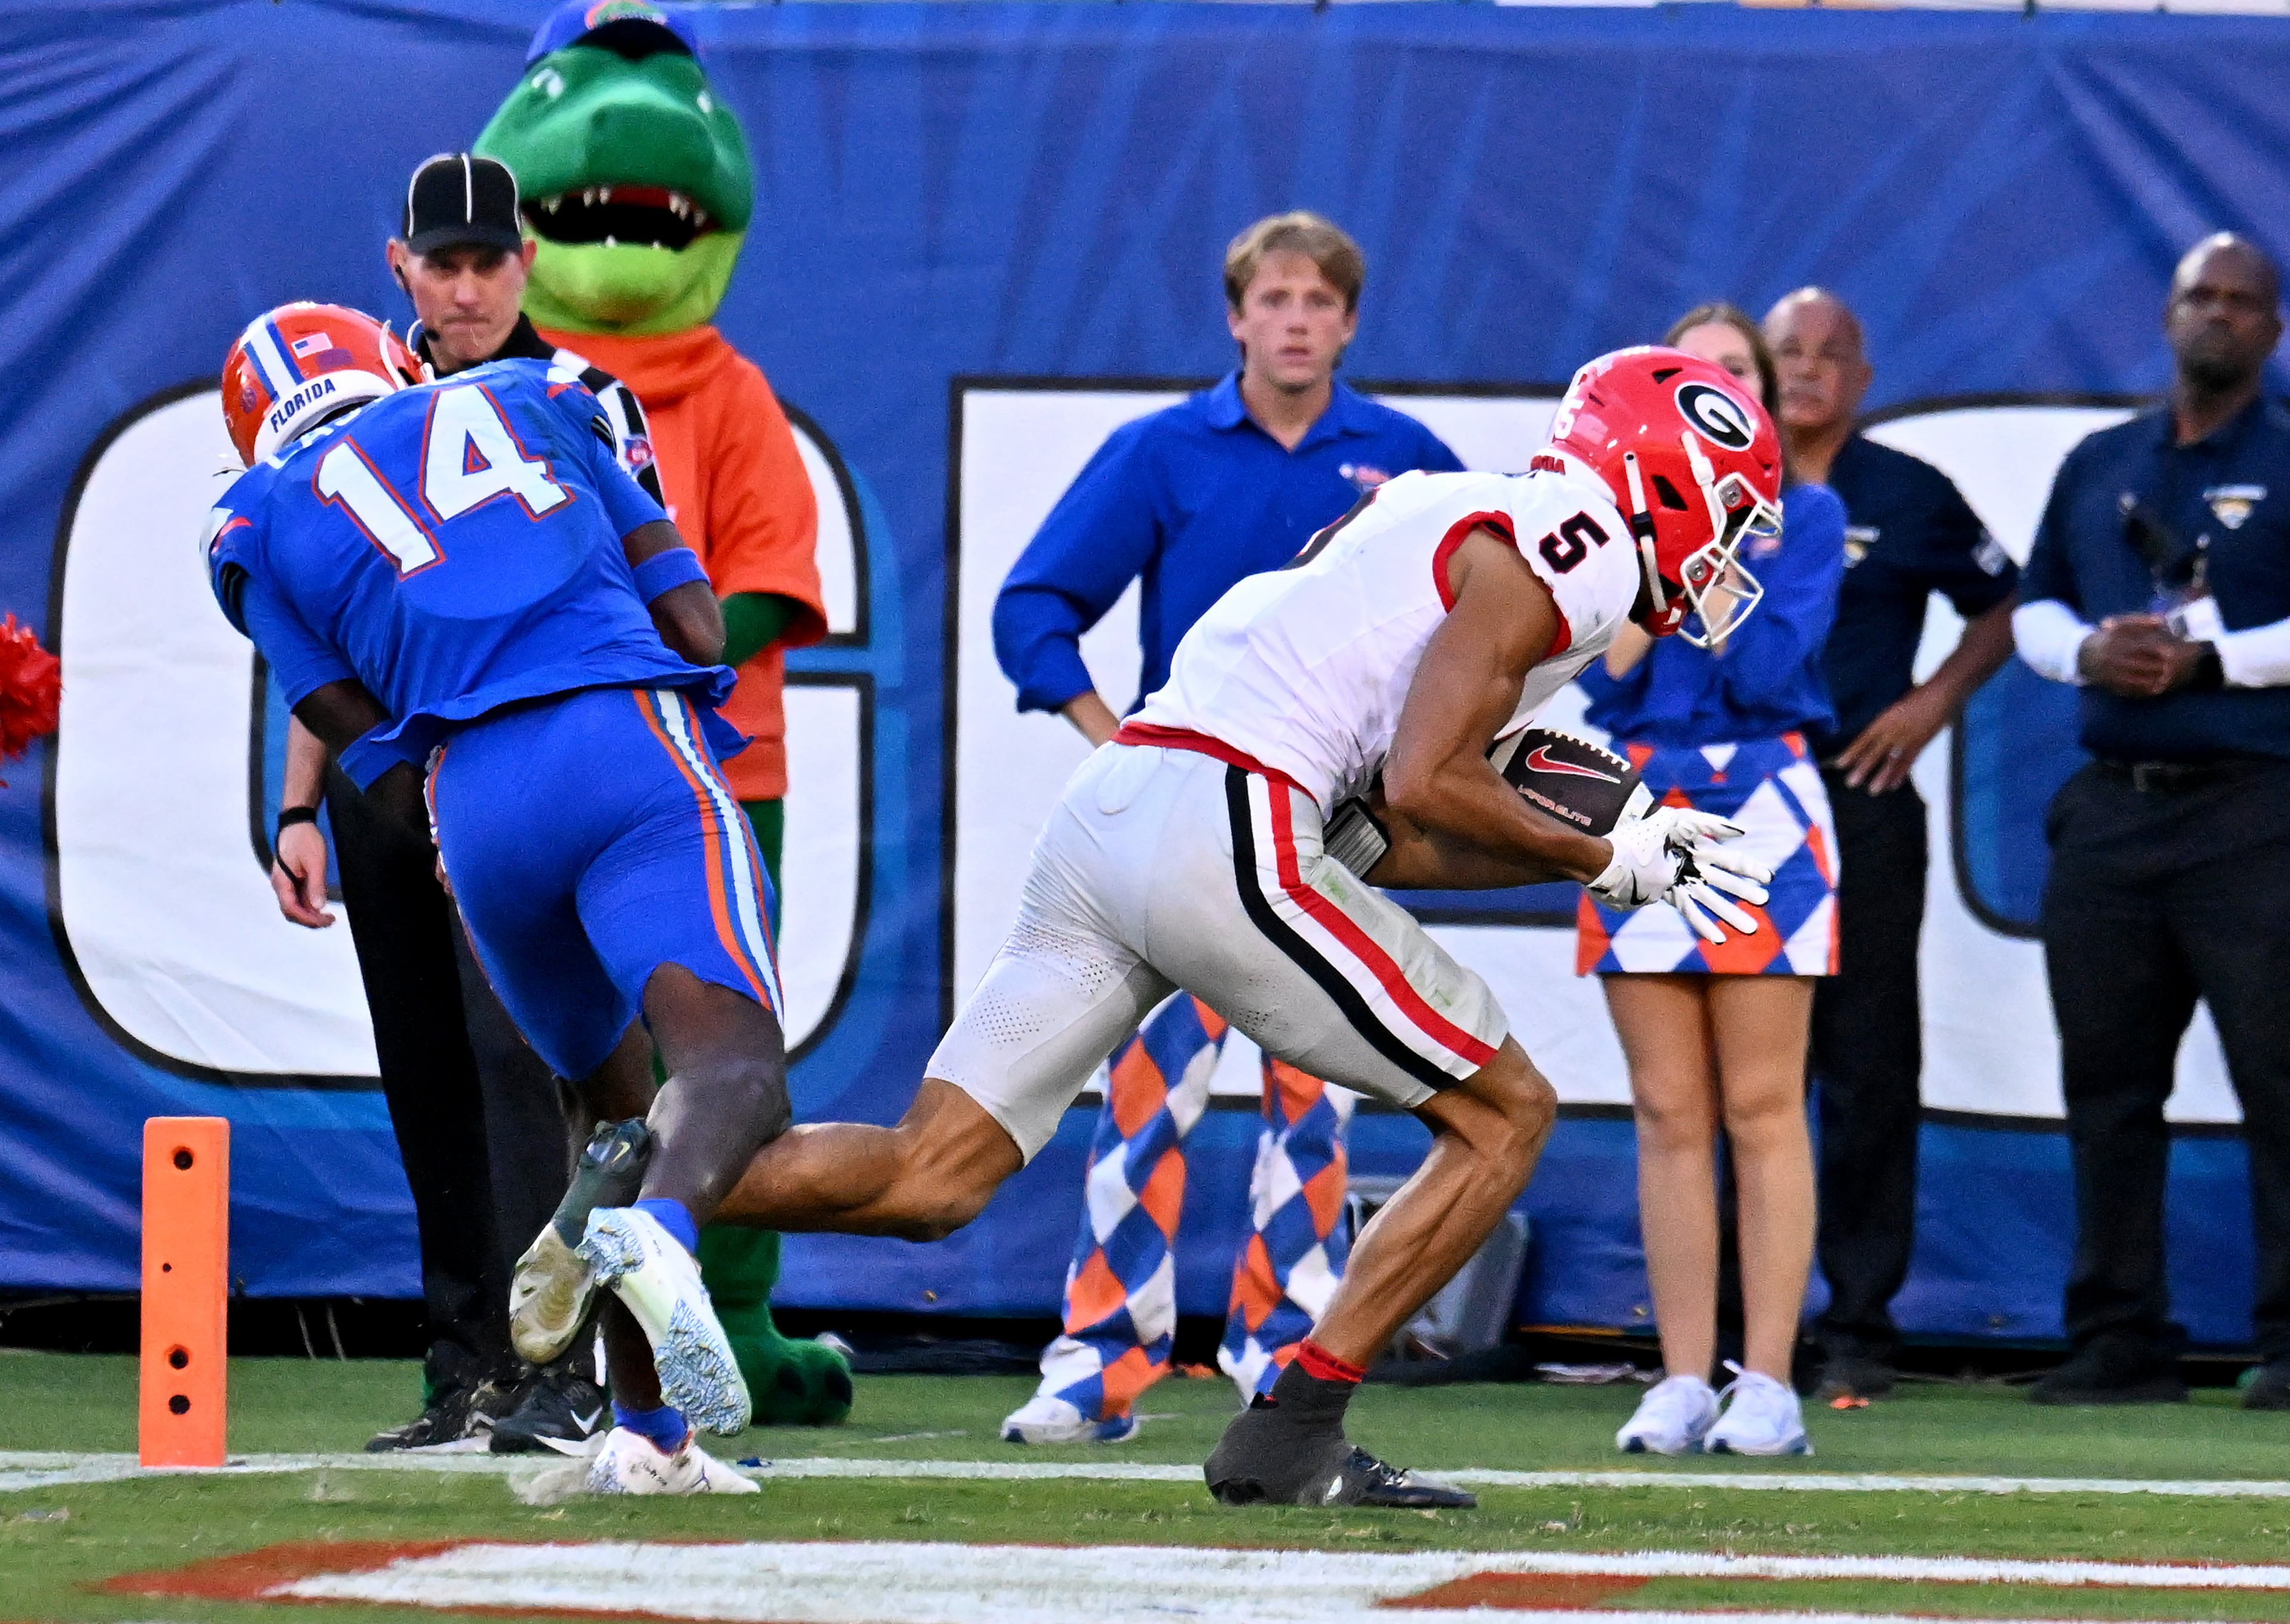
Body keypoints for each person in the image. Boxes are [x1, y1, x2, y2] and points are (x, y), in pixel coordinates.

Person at [531, 345, 1785, 1507]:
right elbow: (1421, 785)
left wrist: (1592, 867)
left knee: (934, 1175)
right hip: (1227, 821)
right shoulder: (1584, 548)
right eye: (1730, 510)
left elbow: (1391, 835)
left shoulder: (1455, 513)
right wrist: (1601, 847)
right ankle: (1291, 1435)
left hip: (1125, 805)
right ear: (1664, 479)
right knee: (1506, 1114)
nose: (1733, 550)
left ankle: (649, 1190)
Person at [211, 300, 781, 1495]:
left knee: (609, 1111)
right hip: (620, 738)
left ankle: (646, 1434)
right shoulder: (537, 395)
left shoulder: (253, 523)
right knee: (729, 1070)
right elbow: (689, 614)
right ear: (394, 357)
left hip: (473, 806)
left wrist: (422, 797)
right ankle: (656, 1243)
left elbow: (334, 712)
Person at [991, 212, 1462, 1444]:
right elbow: (1034, 607)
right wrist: (1122, 741)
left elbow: (1481, 629)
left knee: (1318, 1105)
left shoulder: (1410, 464)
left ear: (1350, 323)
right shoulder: (1164, 453)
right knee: (1145, 1099)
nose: (1297, 320)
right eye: (1275, 299)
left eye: (1319, 301)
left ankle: (1282, 1350)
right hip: (1188, 830)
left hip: (1331, 838)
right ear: (1237, 316)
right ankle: (1100, 1360)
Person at [265, 152, 669, 1453]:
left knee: (528, 1062)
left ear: (526, 263)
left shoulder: (578, 392)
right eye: (442, 262)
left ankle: (569, 1373)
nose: (467, 284)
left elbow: (636, 574)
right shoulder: (357, 390)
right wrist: (296, 810)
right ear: (401, 268)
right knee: (427, 1068)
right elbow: (316, 627)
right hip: (388, 776)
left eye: (488, 260)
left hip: (522, 765)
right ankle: (467, 1371)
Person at [481, 0, 844, 1426]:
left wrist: (610, 654)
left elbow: (763, 589)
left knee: (725, 1048)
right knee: (605, 1059)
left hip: (712, 757)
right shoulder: (488, 398)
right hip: (580, 757)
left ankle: (729, 1319)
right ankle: (567, 1353)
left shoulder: (729, 394)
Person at [2012, 232, 2290, 1409]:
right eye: (2197, 296)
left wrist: (2208, 664)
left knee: (2280, 1085)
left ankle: (2286, 1343)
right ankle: (2121, 1337)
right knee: (2109, 1089)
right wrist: (2091, 648)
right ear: (2168, 314)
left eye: (2240, 301)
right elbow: (2034, 608)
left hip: (2255, 817)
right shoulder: (2101, 459)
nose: (2215, 315)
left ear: (2271, 330)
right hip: (2113, 819)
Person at [1577, 305, 1846, 1458]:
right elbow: (1600, 680)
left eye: (1736, 373)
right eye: (1689, 374)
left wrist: (1716, 538)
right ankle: (1681, 1378)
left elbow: (1775, 661)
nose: (1717, 392)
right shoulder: (1608, 529)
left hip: (1771, 799)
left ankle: (1771, 1382)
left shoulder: (1812, 515)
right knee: (1667, 1111)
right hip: (1637, 796)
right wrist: (1655, 541)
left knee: (1761, 1104)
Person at [1763, 288, 2021, 1402]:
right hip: (1732, 804)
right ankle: (1731, 1318)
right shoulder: (1713, 487)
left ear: (1863, 380)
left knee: (1867, 1065)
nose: (1809, 370)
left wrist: (1929, 706)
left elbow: (2008, 603)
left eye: (1832, 354)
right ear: (1758, 371)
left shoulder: (1910, 494)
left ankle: (1860, 1320)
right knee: (1738, 1072)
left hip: (1859, 801)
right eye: (1789, 353)